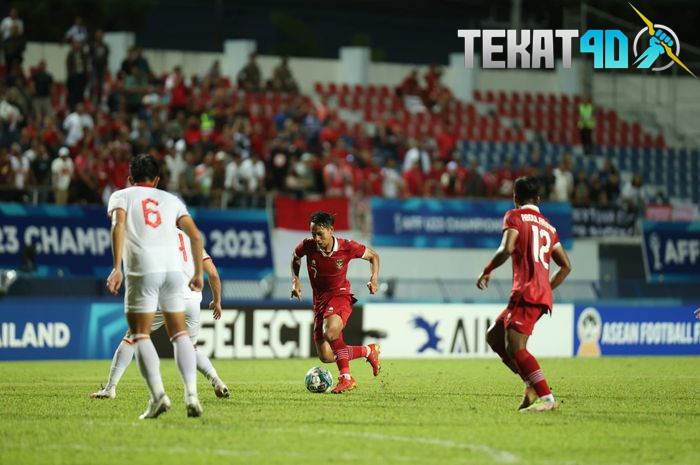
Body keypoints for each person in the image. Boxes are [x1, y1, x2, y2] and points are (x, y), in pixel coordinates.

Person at [106, 154, 204, 419]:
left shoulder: (122, 196)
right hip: (174, 272)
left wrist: (117, 267)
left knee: (140, 334)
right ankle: (192, 395)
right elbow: (195, 235)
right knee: (180, 334)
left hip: (143, 269)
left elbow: (119, 224)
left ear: (130, 178)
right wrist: (197, 273)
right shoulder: (172, 200)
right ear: (158, 179)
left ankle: (159, 396)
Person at [91, 230, 229, 400]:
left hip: (166, 297)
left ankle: (110, 388)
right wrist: (217, 302)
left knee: (132, 337)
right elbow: (214, 274)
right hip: (192, 301)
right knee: (191, 349)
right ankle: (216, 379)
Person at [477, 176, 572, 412]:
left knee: (516, 347)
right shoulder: (550, 227)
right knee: (494, 336)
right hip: (538, 294)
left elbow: (507, 248)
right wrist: (545, 288)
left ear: (515, 198)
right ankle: (531, 384)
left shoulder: (515, 216)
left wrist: (487, 269)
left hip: (526, 292)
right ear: (538, 199)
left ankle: (547, 398)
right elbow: (566, 266)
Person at [291, 211, 381, 393]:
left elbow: (373, 256)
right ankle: (368, 351)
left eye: (320, 234)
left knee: (330, 332)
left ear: (331, 230)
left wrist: (374, 279)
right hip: (320, 301)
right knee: (325, 355)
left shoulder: (347, 247)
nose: (316, 238)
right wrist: (296, 280)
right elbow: (295, 257)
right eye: (313, 234)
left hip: (340, 295)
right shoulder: (308, 246)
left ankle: (346, 378)